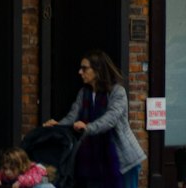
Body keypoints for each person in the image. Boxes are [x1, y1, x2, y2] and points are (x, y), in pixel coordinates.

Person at [45, 50, 146, 188]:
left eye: (85, 68)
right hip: (96, 161)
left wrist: (87, 127)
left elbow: (110, 119)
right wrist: (57, 126)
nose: (80, 72)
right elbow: (72, 116)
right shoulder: (84, 93)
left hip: (123, 160)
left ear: (98, 70)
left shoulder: (117, 92)